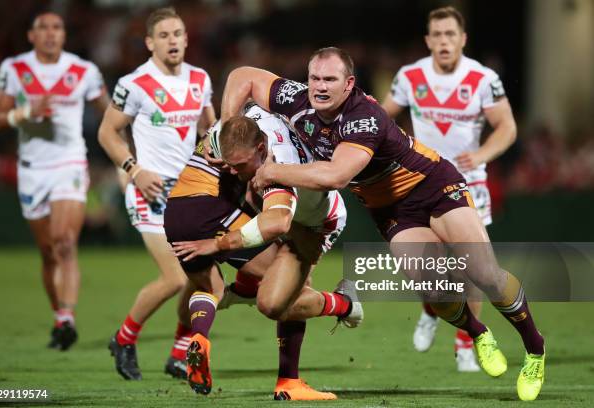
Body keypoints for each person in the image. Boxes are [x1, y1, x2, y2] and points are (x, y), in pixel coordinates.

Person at [219, 47, 545, 401]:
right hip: (392, 211)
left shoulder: (363, 116)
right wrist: (225, 128)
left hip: (433, 186)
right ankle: (478, 332)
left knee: (483, 273)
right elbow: (243, 76)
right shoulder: (297, 99)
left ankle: (535, 350)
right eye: (315, 78)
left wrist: (272, 171)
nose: (320, 86)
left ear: (349, 84)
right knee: (434, 289)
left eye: (330, 79)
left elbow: (337, 175)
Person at [169, 105, 362, 399]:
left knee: (212, 289)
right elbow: (275, 222)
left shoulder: (272, 160)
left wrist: (220, 242)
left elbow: (277, 220)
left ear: (260, 147)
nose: (231, 169)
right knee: (282, 297)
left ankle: (199, 337)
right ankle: (342, 307)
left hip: (176, 215)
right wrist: (219, 242)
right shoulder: (246, 143)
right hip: (221, 210)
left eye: (238, 164)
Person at [381, 6, 517, 372]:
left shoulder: (483, 78)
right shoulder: (410, 77)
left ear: (463, 39)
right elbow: (381, 116)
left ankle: (466, 345)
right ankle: (430, 308)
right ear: (428, 40)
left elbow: (506, 126)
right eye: (437, 35)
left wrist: (483, 153)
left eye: (450, 34)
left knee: (474, 268)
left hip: (468, 183)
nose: (444, 41)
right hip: (420, 183)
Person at [97, 7, 215, 380]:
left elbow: (210, 130)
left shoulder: (200, 79)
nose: (173, 41)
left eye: (178, 33)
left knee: (206, 282)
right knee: (177, 278)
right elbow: (107, 132)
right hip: (150, 193)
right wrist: (134, 170)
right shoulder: (134, 83)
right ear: (150, 43)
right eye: (164, 35)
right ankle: (124, 337)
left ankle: (179, 354)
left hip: (189, 195)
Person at [0, 12, 109, 351]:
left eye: (57, 27)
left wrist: (121, 151)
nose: (50, 33)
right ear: (31, 35)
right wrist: (26, 112)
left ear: (64, 34)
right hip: (31, 169)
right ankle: (59, 314)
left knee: (64, 243)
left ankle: (67, 318)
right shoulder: (14, 69)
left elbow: (109, 112)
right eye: (43, 27)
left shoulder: (82, 71)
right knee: (47, 252)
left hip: (69, 163)